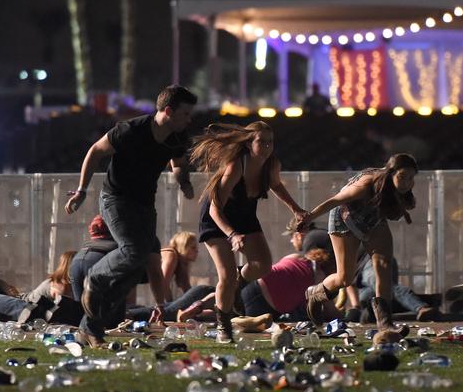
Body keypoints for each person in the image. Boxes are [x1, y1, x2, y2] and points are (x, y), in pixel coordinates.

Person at [64, 84, 198, 348]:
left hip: (145, 205)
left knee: (136, 268)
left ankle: (90, 329)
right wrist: (81, 190)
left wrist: (184, 182)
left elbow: (179, 164)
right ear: (168, 111)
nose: (189, 119)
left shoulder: (178, 137)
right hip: (116, 200)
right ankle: (95, 277)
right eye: (185, 114)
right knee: (133, 251)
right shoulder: (131, 130)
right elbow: (95, 152)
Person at [191, 121, 307, 343]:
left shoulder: (271, 164)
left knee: (263, 265)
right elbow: (216, 209)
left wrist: (296, 209)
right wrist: (232, 235)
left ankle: (237, 283)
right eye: (261, 142)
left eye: (270, 142)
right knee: (224, 275)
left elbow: (276, 185)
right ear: (248, 143)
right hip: (218, 219)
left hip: (245, 217)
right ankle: (224, 324)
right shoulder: (237, 165)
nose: (266, 147)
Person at [299, 154, 418, 341]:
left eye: (411, 178)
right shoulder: (366, 184)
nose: (407, 182)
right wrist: (309, 218)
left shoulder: (398, 189)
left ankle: (385, 323)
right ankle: (315, 293)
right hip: (345, 219)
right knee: (345, 278)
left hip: (373, 221)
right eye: (402, 176)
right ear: (390, 173)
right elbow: (335, 200)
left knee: (383, 265)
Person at [240, 248, 339, 322]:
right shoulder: (321, 279)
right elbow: (331, 312)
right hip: (265, 304)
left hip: (253, 286)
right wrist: (344, 317)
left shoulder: (295, 256)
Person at [357, 256, 440, 322]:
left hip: (371, 261)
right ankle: (430, 300)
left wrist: (355, 306)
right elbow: (351, 285)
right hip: (365, 281)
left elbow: (347, 282)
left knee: (388, 287)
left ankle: (421, 307)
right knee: (368, 304)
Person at [160, 231, 200, 302]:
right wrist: (169, 306)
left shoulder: (183, 262)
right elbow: (163, 283)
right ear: (183, 246)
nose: (197, 251)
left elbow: (186, 289)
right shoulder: (171, 254)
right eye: (193, 247)